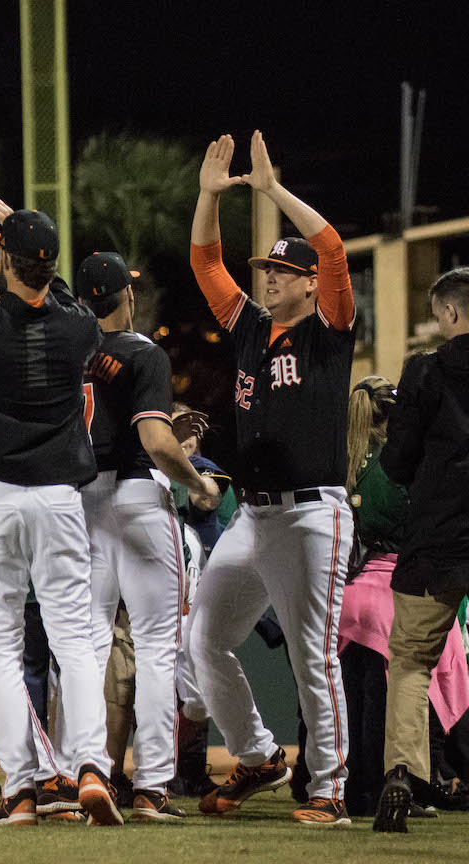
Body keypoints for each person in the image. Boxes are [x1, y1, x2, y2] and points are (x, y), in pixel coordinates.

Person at [0, 208, 123, 827]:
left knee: (1, 649)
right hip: (60, 497)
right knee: (74, 640)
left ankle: (20, 790)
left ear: (6, 261)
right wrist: (9, 256)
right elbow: (54, 297)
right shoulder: (78, 327)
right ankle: (90, 767)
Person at [186, 132, 356, 826]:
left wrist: (271, 190)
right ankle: (257, 755)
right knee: (204, 638)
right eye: (266, 269)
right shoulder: (252, 330)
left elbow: (334, 248)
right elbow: (205, 261)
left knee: (313, 656)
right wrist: (208, 196)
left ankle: (332, 790)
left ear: (311, 283)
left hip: (312, 513)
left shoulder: (329, 330)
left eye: (284, 270)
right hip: (253, 516)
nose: (270, 277)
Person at [76, 251, 221, 820]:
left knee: (87, 644)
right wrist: (197, 483)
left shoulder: (71, 352)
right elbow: (158, 444)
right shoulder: (143, 352)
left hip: (84, 501)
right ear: (128, 297)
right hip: (138, 497)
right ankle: (152, 786)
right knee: (159, 647)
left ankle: (86, 768)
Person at [374, 268, 469, 832]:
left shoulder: (426, 371)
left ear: (451, 313)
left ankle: (402, 776)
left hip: (438, 535)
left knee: (411, 662)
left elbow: (397, 461)